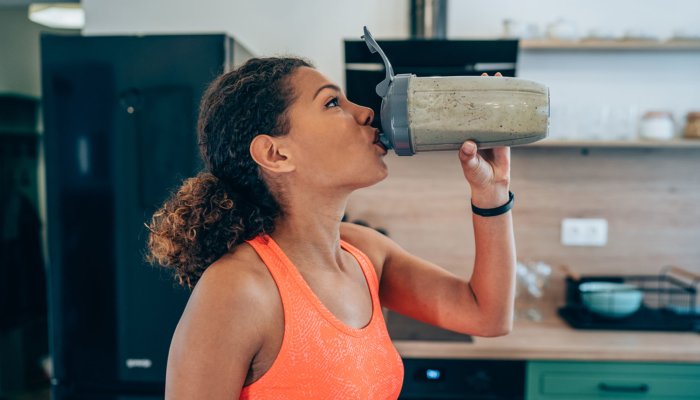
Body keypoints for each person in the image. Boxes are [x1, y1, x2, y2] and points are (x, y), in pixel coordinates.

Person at [146, 57, 515, 399]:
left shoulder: (365, 255)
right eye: (332, 103)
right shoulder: (237, 289)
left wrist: (492, 192)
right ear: (276, 154)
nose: (366, 112)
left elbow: (487, 315)